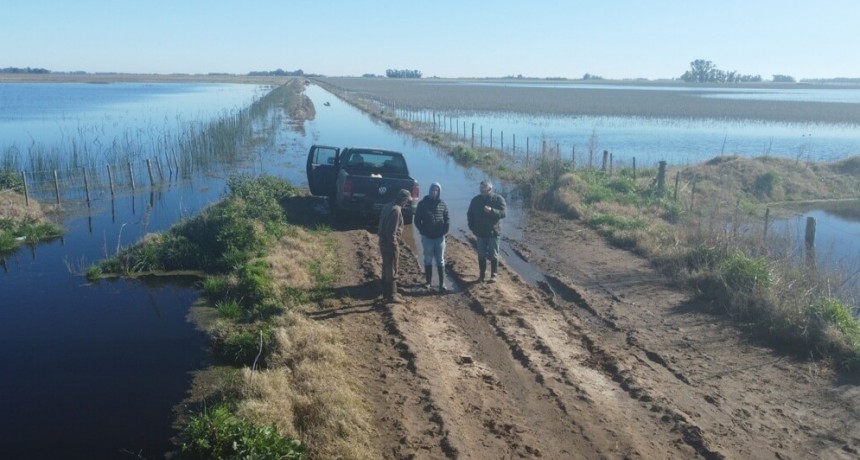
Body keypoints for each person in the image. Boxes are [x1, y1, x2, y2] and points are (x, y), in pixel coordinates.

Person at [467, 180, 506, 283]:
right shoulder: (475, 200)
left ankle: (493, 275)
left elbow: (503, 213)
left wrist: (492, 211)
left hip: (493, 232)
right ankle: (482, 275)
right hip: (480, 233)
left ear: (490, 188)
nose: (483, 189)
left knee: (494, 254)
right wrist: (472, 227)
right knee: (481, 255)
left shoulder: (498, 199)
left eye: (485, 187)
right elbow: (470, 214)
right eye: (481, 188)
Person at [377, 189, 412, 303]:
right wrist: (394, 247)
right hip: (389, 243)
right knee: (392, 268)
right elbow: (391, 232)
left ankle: (385, 293)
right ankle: (392, 295)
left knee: (386, 267)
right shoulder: (396, 211)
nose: (407, 203)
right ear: (404, 199)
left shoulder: (388, 206)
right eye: (407, 200)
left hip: (383, 242)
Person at [415, 182, 450, 291]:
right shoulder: (422, 204)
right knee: (428, 260)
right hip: (427, 238)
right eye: (432, 190)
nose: (434, 192)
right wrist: (423, 231)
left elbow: (447, 219)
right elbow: (417, 220)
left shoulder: (443, 204)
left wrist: (445, 231)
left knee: (440, 260)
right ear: (429, 190)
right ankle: (428, 282)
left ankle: (442, 284)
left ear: (439, 192)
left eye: (436, 190)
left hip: (440, 238)